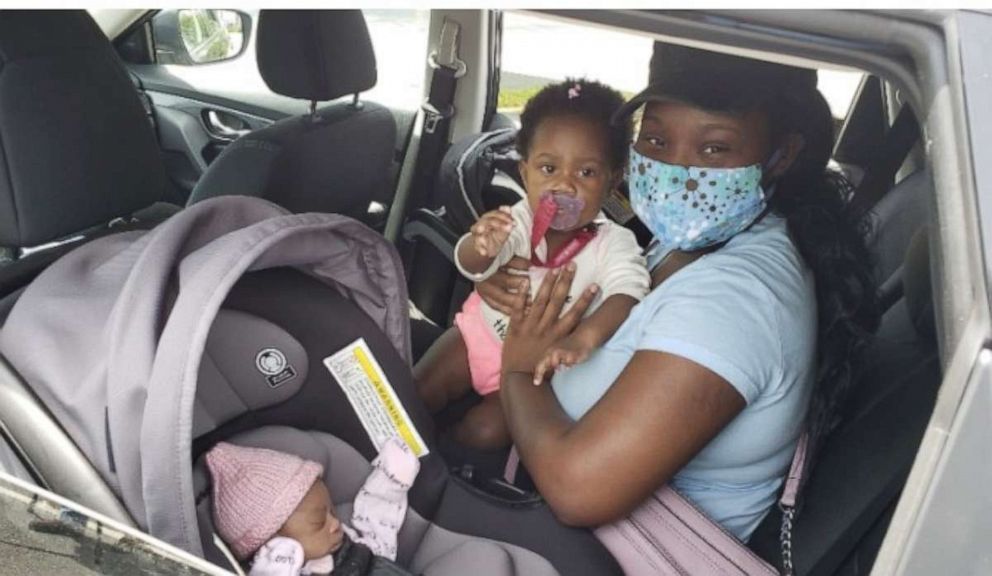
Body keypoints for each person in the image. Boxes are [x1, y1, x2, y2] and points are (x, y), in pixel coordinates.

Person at [479, 42, 879, 541]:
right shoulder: (694, 236)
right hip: (543, 499)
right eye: (656, 140)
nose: (678, 172)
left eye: (714, 148)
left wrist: (519, 369)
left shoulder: (736, 300)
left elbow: (577, 490)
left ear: (782, 155)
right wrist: (516, 272)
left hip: (597, 550)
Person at [415, 79, 650, 451]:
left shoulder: (615, 244)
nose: (564, 186)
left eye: (586, 173)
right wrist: (481, 246)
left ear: (612, 181)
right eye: (548, 168)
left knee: (485, 433)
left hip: (535, 372)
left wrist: (583, 340)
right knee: (414, 394)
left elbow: (629, 292)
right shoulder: (517, 220)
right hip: (476, 336)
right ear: (525, 173)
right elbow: (471, 264)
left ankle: (445, 464)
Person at [206, 438, 419, 575]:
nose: (336, 523)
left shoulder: (350, 545)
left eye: (332, 511)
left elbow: (376, 529)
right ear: (272, 543)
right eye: (318, 522)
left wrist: (390, 481)